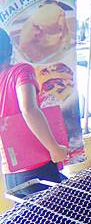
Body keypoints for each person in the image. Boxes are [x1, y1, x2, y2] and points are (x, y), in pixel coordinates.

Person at [0, 28, 68, 196]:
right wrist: (54, 148)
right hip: (37, 166)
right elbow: (29, 109)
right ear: (10, 48)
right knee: (57, 218)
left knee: (28, 220)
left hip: (11, 171)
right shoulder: (20, 71)